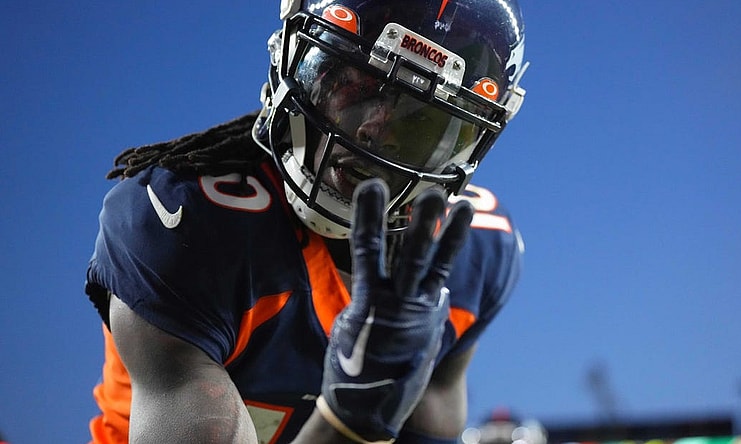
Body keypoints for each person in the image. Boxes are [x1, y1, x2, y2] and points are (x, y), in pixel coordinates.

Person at [85, 0, 528, 442]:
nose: (375, 127)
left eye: (420, 120)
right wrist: (348, 423)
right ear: (293, 58)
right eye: (356, 85)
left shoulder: (476, 250)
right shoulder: (183, 222)